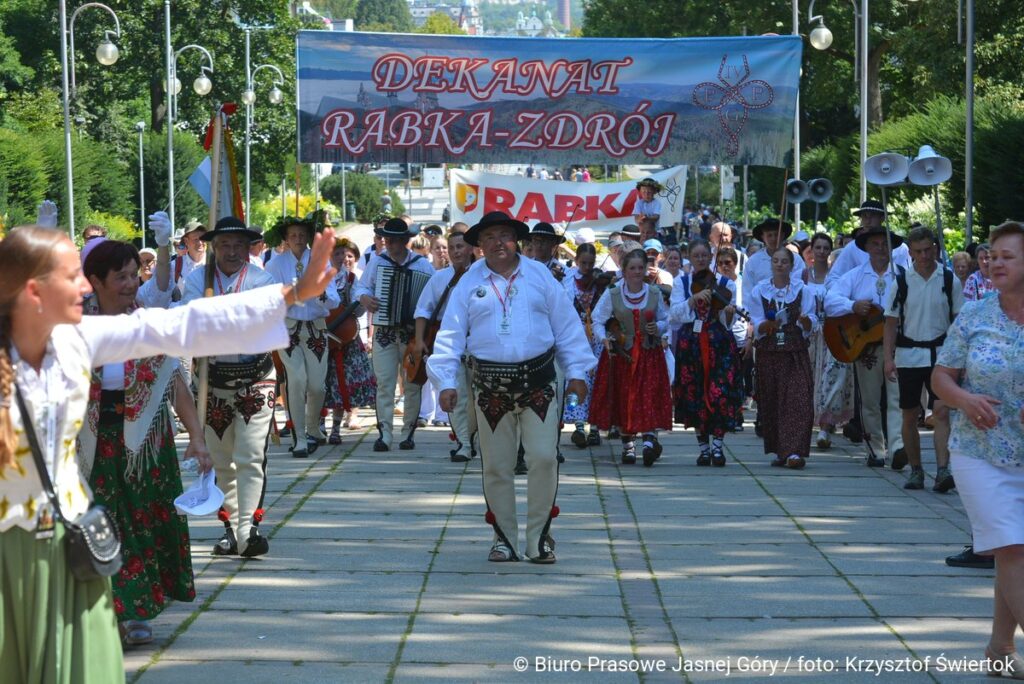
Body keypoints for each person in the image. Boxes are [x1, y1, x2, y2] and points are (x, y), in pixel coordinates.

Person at [0, 223, 337, 684]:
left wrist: (293, 293)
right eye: (72, 274)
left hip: (70, 544)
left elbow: (183, 324)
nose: (84, 284)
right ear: (35, 290)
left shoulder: (79, 340)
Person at [428, 211, 594, 564]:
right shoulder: (469, 283)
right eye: (489, 238)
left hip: (539, 384)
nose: (497, 243)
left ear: (517, 240)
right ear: (479, 245)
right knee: (496, 466)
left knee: (544, 458)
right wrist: (444, 381)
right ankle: (503, 538)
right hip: (489, 388)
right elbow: (450, 336)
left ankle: (538, 540)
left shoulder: (539, 276)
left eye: (504, 235)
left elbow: (567, 327)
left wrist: (577, 370)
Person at [79, 235, 208, 645]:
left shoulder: (149, 324)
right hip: (91, 444)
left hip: (144, 443)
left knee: (142, 523)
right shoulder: (72, 329)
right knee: (100, 526)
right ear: (95, 281)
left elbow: (175, 385)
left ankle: (137, 612)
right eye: (120, 277)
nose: (131, 284)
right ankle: (107, 611)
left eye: (134, 275)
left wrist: (198, 438)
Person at [932, 221, 1024, 677]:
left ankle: (999, 648)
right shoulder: (975, 314)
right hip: (978, 450)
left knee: (1014, 551)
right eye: (993, 254)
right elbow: (941, 376)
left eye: (1008, 256)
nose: (995, 262)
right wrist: (964, 399)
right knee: (1011, 547)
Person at [178, 217, 283, 557]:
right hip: (213, 380)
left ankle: (249, 529)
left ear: (249, 246)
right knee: (220, 461)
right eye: (225, 244)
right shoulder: (197, 280)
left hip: (255, 378)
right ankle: (231, 530)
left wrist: (216, 316)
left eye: (240, 244)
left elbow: (261, 322)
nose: (233, 251)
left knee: (250, 456)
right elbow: (193, 321)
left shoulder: (261, 279)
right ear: (214, 247)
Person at [883, 226, 963, 491]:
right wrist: (888, 358)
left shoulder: (949, 280)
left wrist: (959, 360)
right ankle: (916, 469)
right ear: (911, 252)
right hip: (908, 356)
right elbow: (890, 323)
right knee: (909, 414)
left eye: (928, 250)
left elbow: (958, 323)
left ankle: (942, 470)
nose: (924, 256)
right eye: (918, 251)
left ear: (936, 249)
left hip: (941, 356)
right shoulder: (902, 282)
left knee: (941, 412)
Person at [825, 226, 906, 468]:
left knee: (897, 399)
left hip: (897, 346)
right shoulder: (855, 275)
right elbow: (830, 300)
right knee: (870, 400)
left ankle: (898, 446)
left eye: (885, 244)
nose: (881, 248)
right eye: (876, 244)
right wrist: (853, 306)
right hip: (867, 348)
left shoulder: (902, 275)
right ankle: (876, 449)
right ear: (867, 248)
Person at [355, 218, 436, 451]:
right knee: (384, 384)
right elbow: (361, 288)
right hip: (384, 334)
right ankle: (385, 434)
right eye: (386, 239)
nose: (389, 243)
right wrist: (364, 298)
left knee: (412, 384)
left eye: (394, 240)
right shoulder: (377, 263)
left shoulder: (422, 265)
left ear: (405, 241)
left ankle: (408, 432)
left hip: (412, 335)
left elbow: (433, 297)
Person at [264, 216, 342, 458]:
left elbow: (334, 299)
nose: (297, 239)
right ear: (286, 239)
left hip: (316, 330)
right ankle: (299, 437)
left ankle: (312, 428)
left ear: (308, 237)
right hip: (288, 330)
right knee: (296, 381)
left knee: (317, 386)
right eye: (292, 235)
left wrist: (320, 296)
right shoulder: (275, 265)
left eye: (301, 234)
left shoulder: (320, 261)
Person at [589, 249, 672, 466]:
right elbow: (597, 319)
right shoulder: (614, 293)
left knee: (648, 396)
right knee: (624, 397)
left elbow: (665, 319)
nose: (636, 272)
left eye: (640, 268)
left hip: (648, 353)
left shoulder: (653, 293)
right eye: (632, 268)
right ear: (624, 270)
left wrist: (658, 327)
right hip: (622, 356)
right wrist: (605, 339)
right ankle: (628, 446)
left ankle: (648, 442)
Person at [670, 239, 744, 466]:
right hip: (691, 345)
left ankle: (718, 447)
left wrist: (729, 313)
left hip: (718, 345)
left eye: (704, 256)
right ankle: (703, 448)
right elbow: (674, 315)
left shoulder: (725, 284)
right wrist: (692, 300)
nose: (701, 260)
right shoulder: (681, 283)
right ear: (690, 258)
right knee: (694, 395)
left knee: (719, 393)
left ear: (710, 257)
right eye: (696, 256)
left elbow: (727, 322)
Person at [748, 247, 817, 469]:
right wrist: (764, 325)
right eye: (775, 261)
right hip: (769, 352)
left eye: (783, 261)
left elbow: (812, 320)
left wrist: (806, 322)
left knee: (798, 399)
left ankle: (795, 451)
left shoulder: (802, 290)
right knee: (773, 400)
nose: (779, 265)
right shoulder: (760, 290)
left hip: (794, 351)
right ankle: (781, 450)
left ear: (791, 265)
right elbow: (756, 322)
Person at [412, 229, 474, 460]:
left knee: (478, 398)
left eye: (461, 246)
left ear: (471, 249)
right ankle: (464, 444)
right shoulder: (439, 278)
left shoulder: (482, 275)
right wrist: (419, 340)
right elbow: (423, 310)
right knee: (456, 393)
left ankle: (476, 438)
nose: (456, 251)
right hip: (449, 342)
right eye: (452, 247)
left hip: (479, 345)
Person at [803, 234, 853, 448]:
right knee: (810, 380)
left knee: (831, 378)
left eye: (826, 248)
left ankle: (825, 428)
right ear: (811, 250)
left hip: (832, 331)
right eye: (818, 247)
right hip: (811, 334)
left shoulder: (837, 276)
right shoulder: (804, 275)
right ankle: (807, 424)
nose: (822, 252)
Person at [561, 243, 606, 449]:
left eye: (590, 263)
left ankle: (595, 426)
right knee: (577, 377)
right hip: (576, 335)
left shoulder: (601, 280)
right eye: (583, 263)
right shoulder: (568, 280)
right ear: (577, 261)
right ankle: (578, 425)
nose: (587, 268)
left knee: (596, 381)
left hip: (595, 336)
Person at [825, 200, 909, 287]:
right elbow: (832, 280)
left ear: (882, 218)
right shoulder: (852, 247)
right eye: (864, 216)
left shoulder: (900, 248)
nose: (868, 221)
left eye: (872, 216)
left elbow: (907, 278)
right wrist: (852, 297)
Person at [170, 220, 208, 297]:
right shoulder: (175, 266)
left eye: (203, 238)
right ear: (186, 241)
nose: (200, 242)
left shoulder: (214, 263)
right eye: (196, 239)